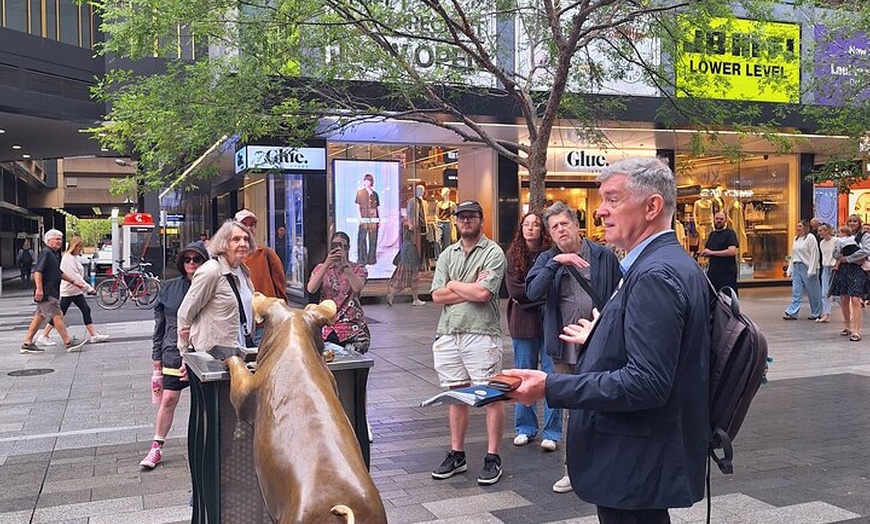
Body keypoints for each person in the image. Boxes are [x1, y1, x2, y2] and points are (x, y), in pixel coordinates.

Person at [505, 157, 711, 523]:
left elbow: (647, 383)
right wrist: (600, 335)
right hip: (639, 461)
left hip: (635, 462)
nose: (599, 212)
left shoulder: (655, 274)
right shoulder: (660, 263)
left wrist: (551, 386)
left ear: (652, 207)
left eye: (612, 199)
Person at [525, 201, 621, 493]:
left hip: (599, 343)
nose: (560, 230)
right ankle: (572, 470)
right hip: (565, 349)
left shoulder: (603, 255)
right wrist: (556, 264)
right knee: (572, 411)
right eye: (554, 227)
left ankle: (607, 465)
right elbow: (532, 292)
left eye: (564, 224)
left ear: (576, 224)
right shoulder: (546, 259)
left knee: (605, 403)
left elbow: (620, 292)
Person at [428, 200, 507, 486]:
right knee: (455, 394)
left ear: (480, 220)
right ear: (456, 221)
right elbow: (436, 295)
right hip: (449, 332)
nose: (466, 220)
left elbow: (485, 294)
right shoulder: (449, 253)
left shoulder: (494, 252)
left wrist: (453, 284)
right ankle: (457, 453)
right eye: (462, 217)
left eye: (471, 216)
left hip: (482, 332)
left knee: (491, 396)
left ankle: (492, 457)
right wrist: (468, 287)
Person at [140, 241, 208, 469]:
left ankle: (214, 446)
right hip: (172, 353)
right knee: (168, 399)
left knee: (209, 403)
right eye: (187, 259)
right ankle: (156, 447)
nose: (191, 263)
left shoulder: (213, 287)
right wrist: (156, 358)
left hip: (204, 353)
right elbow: (159, 326)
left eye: (196, 259)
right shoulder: (168, 288)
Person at [503, 212, 557, 452]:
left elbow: (554, 289)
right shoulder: (513, 255)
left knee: (552, 376)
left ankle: (552, 433)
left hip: (551, 322)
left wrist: (531, 297)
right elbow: (517, 292)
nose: (531, 228)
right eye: (527, 224)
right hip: (523, 323)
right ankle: (525, 428)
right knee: (522, 375)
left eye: (536, 224)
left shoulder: (552, 254)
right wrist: (537, 297)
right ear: (521, 228)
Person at [177, 220, 255, 353]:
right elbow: (186, 313)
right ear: (224, 244)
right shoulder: (211, 271)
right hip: (215, 356)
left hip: (242, 351)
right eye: (236, 239)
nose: (243, 244)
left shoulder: (243, 271)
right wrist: (185, 352)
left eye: (246, 239)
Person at [19, 230, 89, 354]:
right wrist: (39, 288)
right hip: (48, 291)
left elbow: (58, 272)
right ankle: (68, 342)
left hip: (50, 291)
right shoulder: (46, 253)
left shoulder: (54, 254)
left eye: (61, 239)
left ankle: (27, 343)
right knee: (57, 315)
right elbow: (37, 272)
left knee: (39, 316)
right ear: (48, 240)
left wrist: (74, 281)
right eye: (56, 239)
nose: (59, 241)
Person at [37, 236, 108, 346]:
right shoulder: (68, 258)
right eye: (79, 246)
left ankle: (94, 335)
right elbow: (74, 276)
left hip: (75, 291)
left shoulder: (73, 257)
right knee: (59, 314)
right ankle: (45, 335)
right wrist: (88, 288)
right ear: (74, 246)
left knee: (84, 309)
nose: (81, 249)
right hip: (69, 291)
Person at [307, 231, 371, 353]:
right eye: (335, 246)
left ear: (348, 249)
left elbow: (357, 287)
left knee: (354, 365)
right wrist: (326, 265)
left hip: (352, 328)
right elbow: (311, 288)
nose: (339, 250)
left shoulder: (358, 269)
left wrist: (346, 267)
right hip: (327, 328)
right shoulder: (321, 268)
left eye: (344, 247)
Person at [234, 210, 288, 302]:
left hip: (265, 311)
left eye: (252, 224)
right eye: (244, 224)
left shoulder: (266, 253)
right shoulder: (229, 257)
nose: (249, 228)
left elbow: (280, 285)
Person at [829, 215, 869, 341]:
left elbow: (866, 251)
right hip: (844, 270)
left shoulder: (864, 236)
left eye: (855, 221)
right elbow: (835, 253)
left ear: (859, 223)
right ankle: (847, 325)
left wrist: (848, 258)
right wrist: (840, 256)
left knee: (855, 299)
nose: (852, 223)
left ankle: (856, 330)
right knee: (844, 298)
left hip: (857, 269)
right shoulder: (840, 237)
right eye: (850, 221)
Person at [783, 220, 822, 321]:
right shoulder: (795, 239)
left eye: (800, 226)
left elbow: (814, 254)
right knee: (796, 290)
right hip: (797, 266)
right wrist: (790, 268)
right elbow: (793, 254)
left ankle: (816, 312)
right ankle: (792, 312)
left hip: (807, 266)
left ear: (805, 227)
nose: (798, 228)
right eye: (797, 226)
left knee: (813, 291)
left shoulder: (810, 238)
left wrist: (812, 269)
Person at [701, 211, 739, 294]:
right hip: (713, 272)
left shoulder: (730, 233)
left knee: (727, 298)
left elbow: (732, 251)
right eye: (717, 219)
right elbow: (709, 250)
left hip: (727, 273)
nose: (719, 221)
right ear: (714, 220)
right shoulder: (712, 235)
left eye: (721, 219)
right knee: (712, 296)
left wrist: (712, 253)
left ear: (725, 221)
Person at [386, 228, 425, 307]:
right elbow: (412, 258)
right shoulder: (410, 246)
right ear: (411, 236)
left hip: (402, 265)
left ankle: (415, 299)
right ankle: (415, 300)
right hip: (408, 267)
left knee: (407, 284)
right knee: (411, 283)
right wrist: (415, 269)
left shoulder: (404, 244)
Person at [355, 173, 380, 264]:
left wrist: (378, 219)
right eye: (365, 180)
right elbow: (357, 206)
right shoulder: (360, 192)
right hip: (364, 216)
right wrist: (359, 217)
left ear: (371, 182)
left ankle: (371, 259)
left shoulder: (375, 194)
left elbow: (377, 208)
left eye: (368, 180)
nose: (366, 182)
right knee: (362, 238)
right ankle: (362, 259)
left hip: (373, 216)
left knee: (373, 238)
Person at [817, 223, 836, 324]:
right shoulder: (822, 243)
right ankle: (826, 314)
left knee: (837, 294)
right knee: (824, 293)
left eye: (821, 231)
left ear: (827, 231)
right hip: (825, 267)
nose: (819, 233)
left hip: (834, 268)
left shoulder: (836, 241)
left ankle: (848, 313)